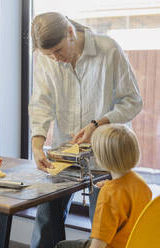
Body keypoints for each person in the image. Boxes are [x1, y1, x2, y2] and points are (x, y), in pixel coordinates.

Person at [29, 12, 143, 247]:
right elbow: (41, 104)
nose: (55, 58)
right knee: (46, 219)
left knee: (103, 230)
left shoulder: (108, 49)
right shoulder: (47, 60)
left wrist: (97, 124)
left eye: (58, 51)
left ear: (70, 33)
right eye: (48, 55)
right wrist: (37, 146)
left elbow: (133, 101)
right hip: (65, 155)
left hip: (106, 156)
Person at [55, 124, 152, 248]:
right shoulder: (141, 184)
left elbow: (98, 245)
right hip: (133, 244)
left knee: (61, 246)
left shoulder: (108, 195)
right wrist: (111, 185)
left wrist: (110, 189)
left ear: (100, 158)